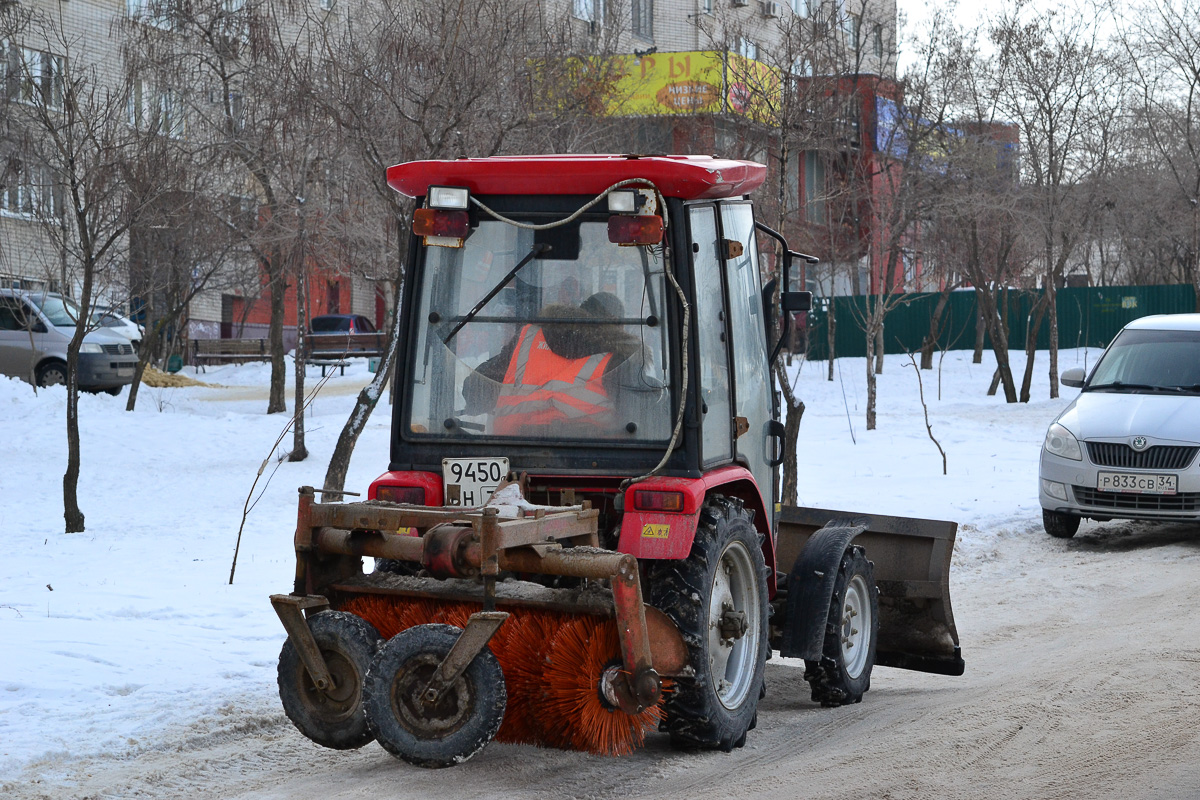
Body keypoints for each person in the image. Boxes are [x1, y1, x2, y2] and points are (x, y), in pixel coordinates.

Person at [462, 292, 643, 436]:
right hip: (592, 463)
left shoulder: (528, 338)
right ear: (619, 327)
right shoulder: (619, 357)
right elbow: (642, 420)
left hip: (515, 457)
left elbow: (474, 390)